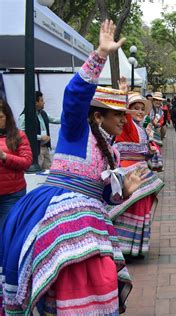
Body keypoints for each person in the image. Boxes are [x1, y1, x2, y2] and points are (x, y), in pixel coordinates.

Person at [0, 20, 145, 315]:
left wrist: (122, 193)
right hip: (58, 211)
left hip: (91, 218)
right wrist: (100, 54)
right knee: (67, 275)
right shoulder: (77, 130)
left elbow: (104, 195)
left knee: (101, 275)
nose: (123, 119)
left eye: (125, 114)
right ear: (98, 116)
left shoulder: (112, 152)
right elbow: (74, 96)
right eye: (117, 114)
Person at [111, 90, 165, 258]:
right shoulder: (128, 124)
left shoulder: (141, 128)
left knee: (142, 211)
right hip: (130, 172)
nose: (140, 111)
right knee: (130, 211)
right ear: (128, 110)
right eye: (136, 108)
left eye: (142, 108)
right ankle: (125, 248)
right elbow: (125, 116)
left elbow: (144, 153)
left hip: (141, 172)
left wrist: (149, 150)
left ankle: (135, 247)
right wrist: (124, 92)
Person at [0, 99, 32, 228]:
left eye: (0, 117)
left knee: (7, 231)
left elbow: (27, 162)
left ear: (7, 117)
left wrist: (5, 157)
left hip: (12, 195)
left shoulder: (19, 135)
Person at [18, 91, 61, 170]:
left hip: (45, 148)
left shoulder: (43, 113)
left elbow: (56, 120)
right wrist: (40, 137)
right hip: (35, 150)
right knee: (36, 173)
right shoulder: (24, 116)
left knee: (48, 171)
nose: (44, 102)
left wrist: (69, 116)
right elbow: (22, 134)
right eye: (41, 100)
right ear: (35, 102)